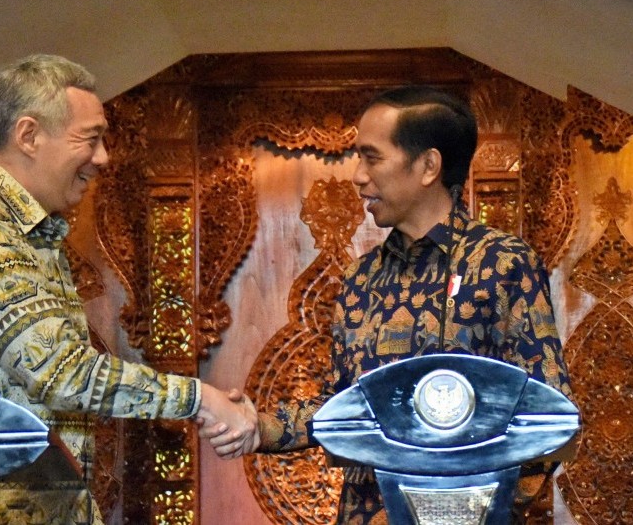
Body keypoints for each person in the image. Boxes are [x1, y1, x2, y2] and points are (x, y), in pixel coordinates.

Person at [0, 54, 258, 524]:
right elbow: (60, 373)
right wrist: (200, 399)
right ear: (29, 136)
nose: (102, 158)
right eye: (90, 139)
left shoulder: (27, 232)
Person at [205, 85, 572, 523]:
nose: (358, 175)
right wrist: (258, 425)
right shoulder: (362, 278)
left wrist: (454, 512)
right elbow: (346, 407)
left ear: (427, 165)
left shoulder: (501, 264)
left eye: (372, 157)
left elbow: (547, 415)